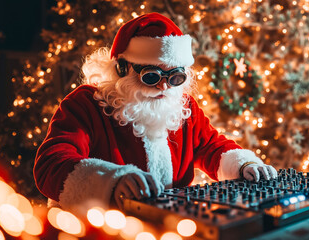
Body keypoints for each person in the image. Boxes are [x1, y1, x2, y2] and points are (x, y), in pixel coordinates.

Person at [34, 12, 277, 214]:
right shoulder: (86, 103)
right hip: (101, 226)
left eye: (175, 77)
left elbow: (212, 146)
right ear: (122, 69)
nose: (164, 86)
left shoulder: (183, 105)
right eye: (151, 76)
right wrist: (112, 180)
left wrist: (244, 164)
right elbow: (50, 164)